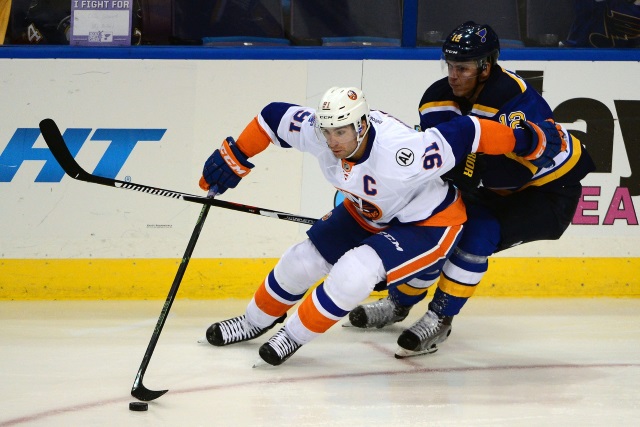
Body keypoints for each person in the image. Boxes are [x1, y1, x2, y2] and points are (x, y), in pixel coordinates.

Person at [199, 86, 566, 365]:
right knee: (302, 260)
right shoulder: (319, 131)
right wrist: (235, 155)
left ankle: (291, 335)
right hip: (370, 210)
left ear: (361, 124)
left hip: (429, 221)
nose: (332, 142)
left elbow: (470, 131)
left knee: (354, 273)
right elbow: (272, 117)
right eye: (327, 132)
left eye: (340, 132)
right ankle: (253, 320)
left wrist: (527, 140)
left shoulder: (404, 153)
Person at [348, 22, 596, 358]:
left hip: (549, 192)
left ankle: (440, 318)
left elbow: (515, 174)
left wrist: (463, 172)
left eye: (462, 68)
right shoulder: (437, 100)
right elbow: (440, 163)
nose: (453, 75)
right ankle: (399, 302)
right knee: (435, 226)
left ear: (485, 68)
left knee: (476, 233)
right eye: (449, 66)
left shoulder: (515, 98)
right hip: (492, 184)